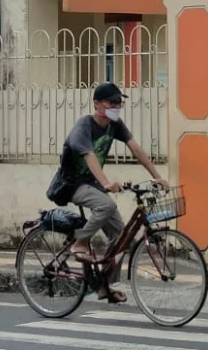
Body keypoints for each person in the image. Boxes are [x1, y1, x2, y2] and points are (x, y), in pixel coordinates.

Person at [46, 82, 166, 304]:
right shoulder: (84, 127)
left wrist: (156, 176)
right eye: (112, 102)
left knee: (121, 236)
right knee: (107, 205)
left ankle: (104, 286)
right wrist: (107, 183)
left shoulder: (115, 125)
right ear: (97, 104)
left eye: (119, 102)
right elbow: (89, 156)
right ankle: (80, 242)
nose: (117, 106)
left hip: (92, 183)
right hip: (70, 185)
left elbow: (136, 148)